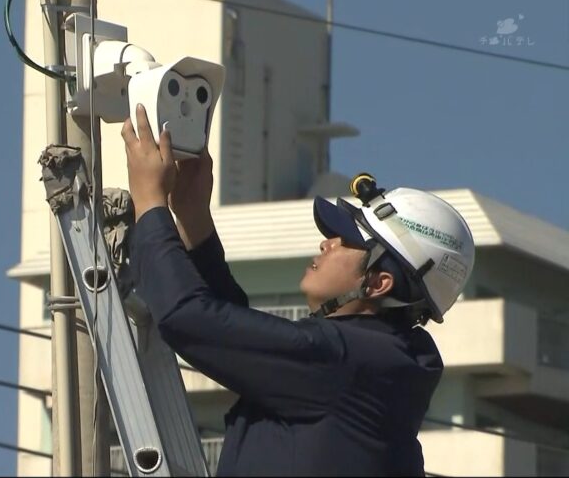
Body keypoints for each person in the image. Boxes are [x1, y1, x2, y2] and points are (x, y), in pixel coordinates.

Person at [122, 104, 475, 476]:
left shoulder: (342, 359)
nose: (327, 244)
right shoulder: (375, 361)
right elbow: (229, 329)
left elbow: (190, 318)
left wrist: (150, 203)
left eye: (346, 240)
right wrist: (194, 219)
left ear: (377, 283)